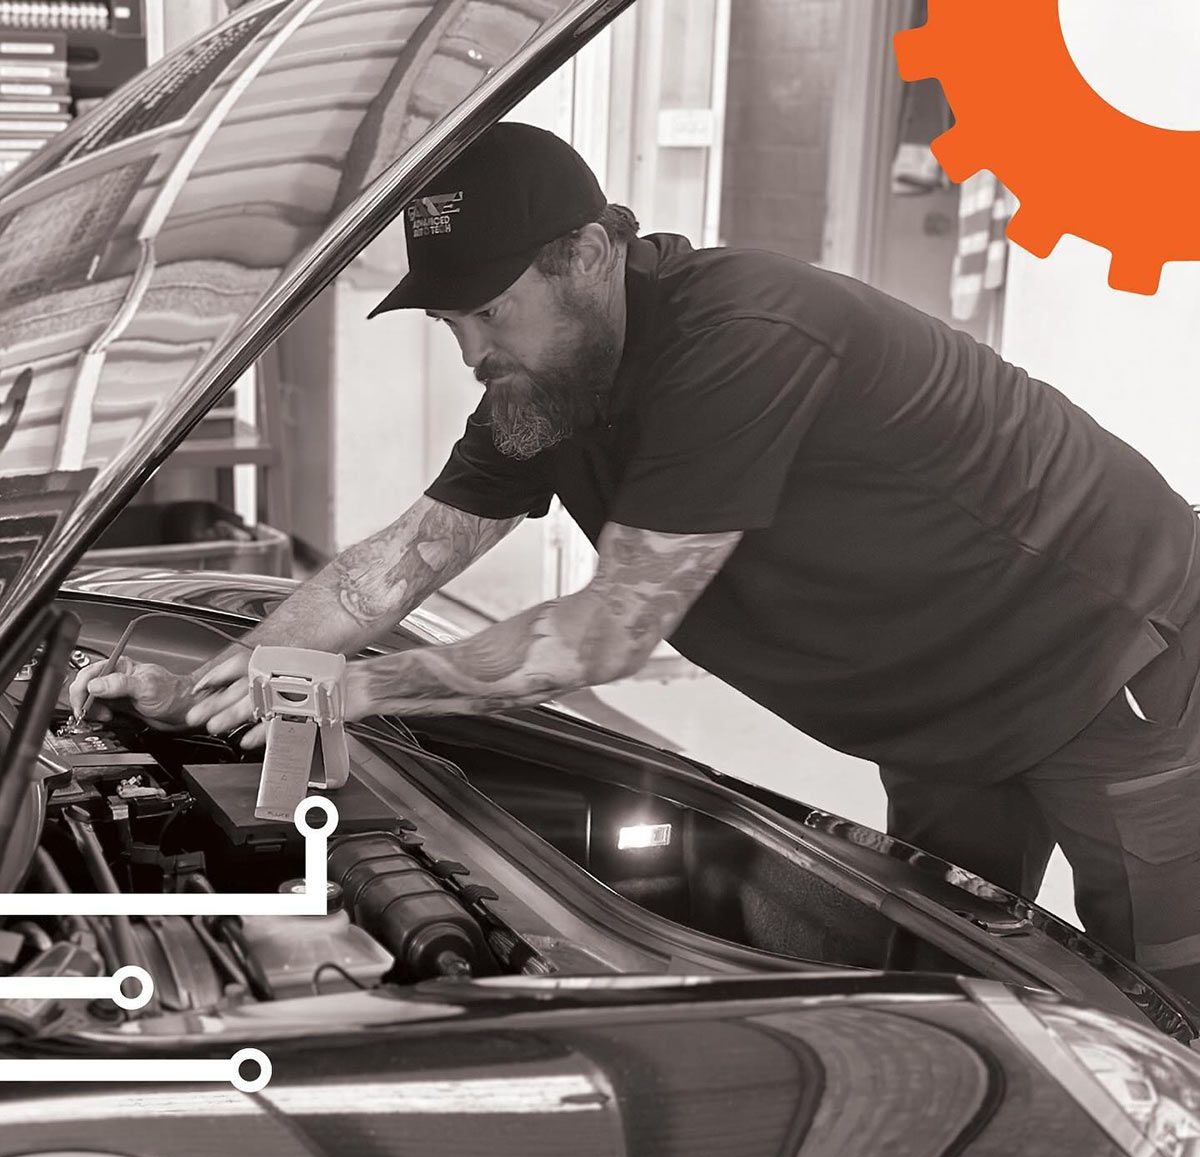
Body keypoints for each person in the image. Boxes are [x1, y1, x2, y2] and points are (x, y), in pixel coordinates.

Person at [71, 122, 1200, 1005]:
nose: (472, 352)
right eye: (451, 321)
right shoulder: (543, 390)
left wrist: (364, 687)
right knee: (964, 976)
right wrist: (218, 690)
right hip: (946, 701)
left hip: (1111, 655)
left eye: (493, 313)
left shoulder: (744, 339)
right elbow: (397, 563)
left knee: (1161, 994)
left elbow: (611, 630)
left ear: (593, 255)